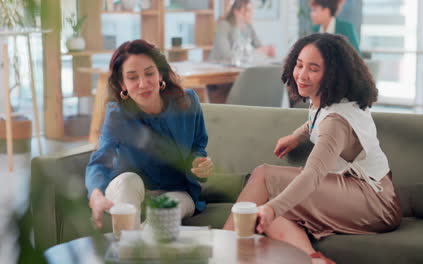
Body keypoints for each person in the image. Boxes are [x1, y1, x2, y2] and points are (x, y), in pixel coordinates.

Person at [223, 33, 402, 264]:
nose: (302, 75)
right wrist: (297, 136)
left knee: (265, 179)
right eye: (299, 65)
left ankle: (223, 250)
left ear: (332, 74)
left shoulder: (336, 122)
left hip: (374, 202)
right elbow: (316, 121)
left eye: (314, 69)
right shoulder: (331, 98)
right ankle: (314, 260)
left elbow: (313, 174)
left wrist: (273, 209)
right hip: (367, 192)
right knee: (266, 204)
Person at [86, 39, 213, 229]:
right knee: (129, 181)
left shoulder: (187, 102)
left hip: (178, 192)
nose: (143, 83)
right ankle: (127, 249)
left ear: (160, 73)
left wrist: (199, 164)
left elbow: (198, 147)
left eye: (149, 73)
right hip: (129, 189)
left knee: (163, 212)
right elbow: (101, 160)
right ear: (122, 84)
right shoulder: (117, 115)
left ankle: (141, 249)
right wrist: (96, 195)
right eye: (132, 77)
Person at [207, 0, 275, 103]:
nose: (251, 14)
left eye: (251, 10)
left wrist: (265, 50)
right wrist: (256, 51)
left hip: (239, 74)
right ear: (236, 12)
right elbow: (227, 54)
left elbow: (259, 47)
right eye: (247, 10)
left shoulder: (248, 27)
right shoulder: (224, 25)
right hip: (221, 78)